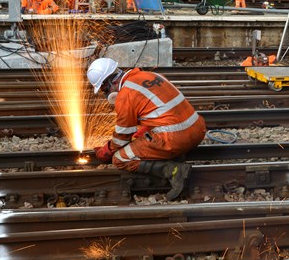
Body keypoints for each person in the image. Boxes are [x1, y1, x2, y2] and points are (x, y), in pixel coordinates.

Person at [86, 58, 206, 200]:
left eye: (105, 90)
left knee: (120, 159)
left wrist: (107, 150)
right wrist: (141, 133)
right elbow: (160, 111)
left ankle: (173, 171)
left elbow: (122, 138)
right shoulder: (151, 75)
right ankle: (175, 156)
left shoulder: (125, 94)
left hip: (175, 139)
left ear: (111, 82)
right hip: (198, 130)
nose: (106, 95)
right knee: (142, 139)